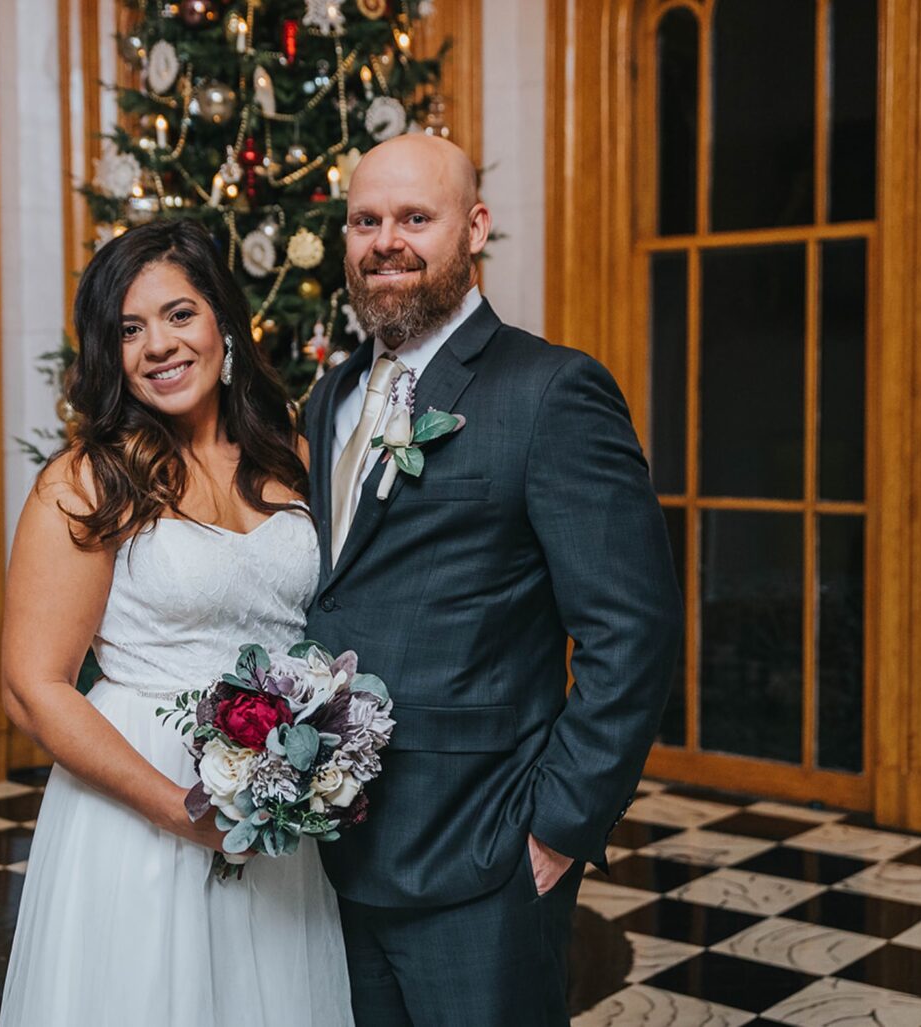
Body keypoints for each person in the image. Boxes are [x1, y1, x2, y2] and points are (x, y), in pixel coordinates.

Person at [303, 134, 683, 1025]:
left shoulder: (552, 391)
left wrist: (559, 824)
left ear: (473, 228)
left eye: (414, 218)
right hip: (334, 854)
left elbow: (634, 629)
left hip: (483, 856)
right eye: (365, 221)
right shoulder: (328, 401)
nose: (385, 240)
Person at [0, 220, 352, 1025]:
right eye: (130, 329)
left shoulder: (291, 456)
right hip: (140, 805)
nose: (158, 344)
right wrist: (182, 809)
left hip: (274, 794)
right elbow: (34, 685)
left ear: (223, 322)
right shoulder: (89, 480)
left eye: (178, 314)